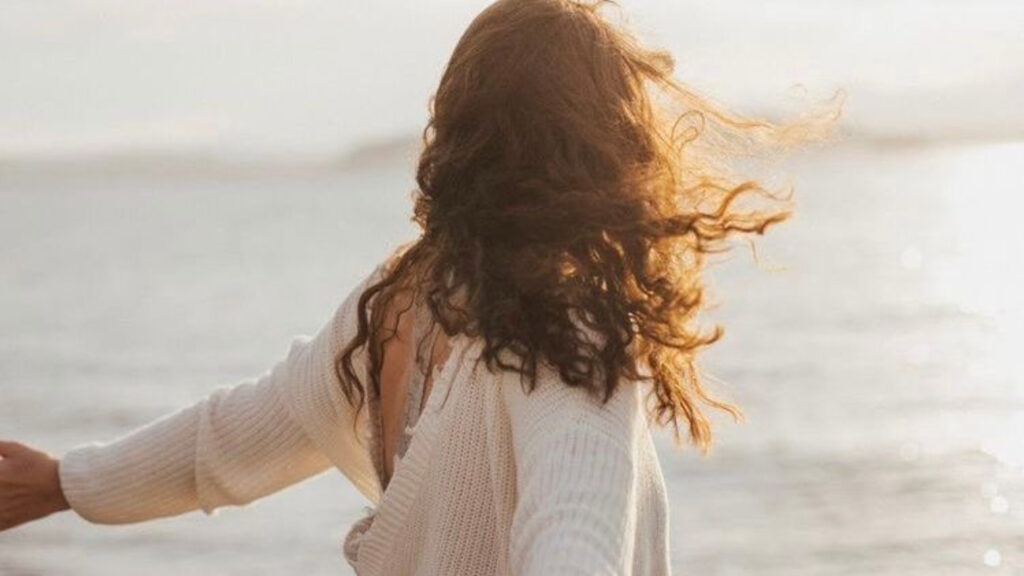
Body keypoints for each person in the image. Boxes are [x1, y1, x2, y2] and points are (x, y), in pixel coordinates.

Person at [0, 0, 835, 573]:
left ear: (455, 130)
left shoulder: (400, 301)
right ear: (608, 152)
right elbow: (577, 532)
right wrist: (65, 481)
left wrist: (63, 483)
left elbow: (230, 439)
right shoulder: (567, 328)